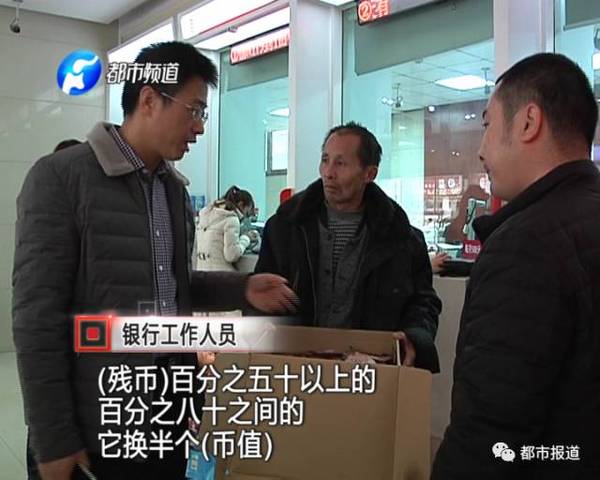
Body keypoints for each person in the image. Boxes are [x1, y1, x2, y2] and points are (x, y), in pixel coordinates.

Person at [13, 41, 297, 480]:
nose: (199, 127)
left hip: (165, 412)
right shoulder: (60, 179)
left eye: (203, 114)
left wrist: (242, 288)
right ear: (149, 100)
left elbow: (171, 285)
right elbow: (37, 319)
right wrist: (54, 439)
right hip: (96, 419)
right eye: (194, 110)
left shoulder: (173, 191)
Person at [431, 53, 600, 479]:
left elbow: (491, 440)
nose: (480, 149)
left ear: (528, 122)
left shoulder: (525, 245)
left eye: (487, 125)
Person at [255, 122, 441, 371]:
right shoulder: (285, 228)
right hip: (293, 367)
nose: (328, 172)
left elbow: (423, 302)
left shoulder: (401, 238)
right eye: (325, 160)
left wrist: (415, 336)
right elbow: (260, 292)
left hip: (370, 371)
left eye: (340, 163)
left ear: (369, 174)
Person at [195, 186, 260, 271]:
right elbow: (232, 255)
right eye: (247, 212)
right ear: (241, 205)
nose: (245, 216)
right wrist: (246, 238)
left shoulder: (205, 216)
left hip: (202, 271)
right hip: (221, 273)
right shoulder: (231, 219)